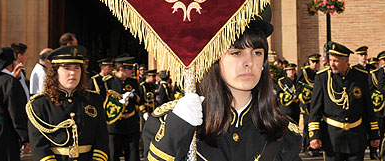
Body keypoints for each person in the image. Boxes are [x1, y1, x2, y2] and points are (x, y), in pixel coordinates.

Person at [142, 11, 303, 160]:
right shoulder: (167, 123)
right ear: (214, 60)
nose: (249, 62)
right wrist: (176, 131)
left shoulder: (284, 133)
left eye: (257, 52)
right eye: (236, 52)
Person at [26, 45, 109, 161]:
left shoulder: (94, 100)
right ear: (55, 72)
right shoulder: (40, 105)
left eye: (77, 68)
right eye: (67, 68)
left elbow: (102, 139)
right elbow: (39, 147)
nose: (72, 73)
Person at [309, 41, 380, 161]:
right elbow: (315, 110)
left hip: (356, 136)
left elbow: (367, 107)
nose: (332, 64)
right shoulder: (323, 78)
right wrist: (314, 135)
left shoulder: (360, 77)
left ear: (346, 60)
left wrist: (374, 133)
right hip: (332, 138)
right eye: (330, 60)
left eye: (336, 61)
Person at [104, 56, 144, 161]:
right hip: (115, 125)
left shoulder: (133, 82)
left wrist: (133, 96)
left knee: (132, 155)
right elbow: (104, 103)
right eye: (130, 69)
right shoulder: (108, 82)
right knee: (113, 155)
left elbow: (140, 100)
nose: (132, 71)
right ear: (121, 69)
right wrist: (119, 102)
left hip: (130, 124)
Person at [297, 53, 321, 155]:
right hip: (306, 103)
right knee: (307, 124)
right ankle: (306, 146)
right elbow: (298, 86)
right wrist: (301, 97)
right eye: (313, 62)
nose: (315, 64)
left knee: (315, 124)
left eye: (317, 62)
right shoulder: (304, 71)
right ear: (309, 62)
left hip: (314, 103)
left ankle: (315, 147)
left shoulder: (318, 74)